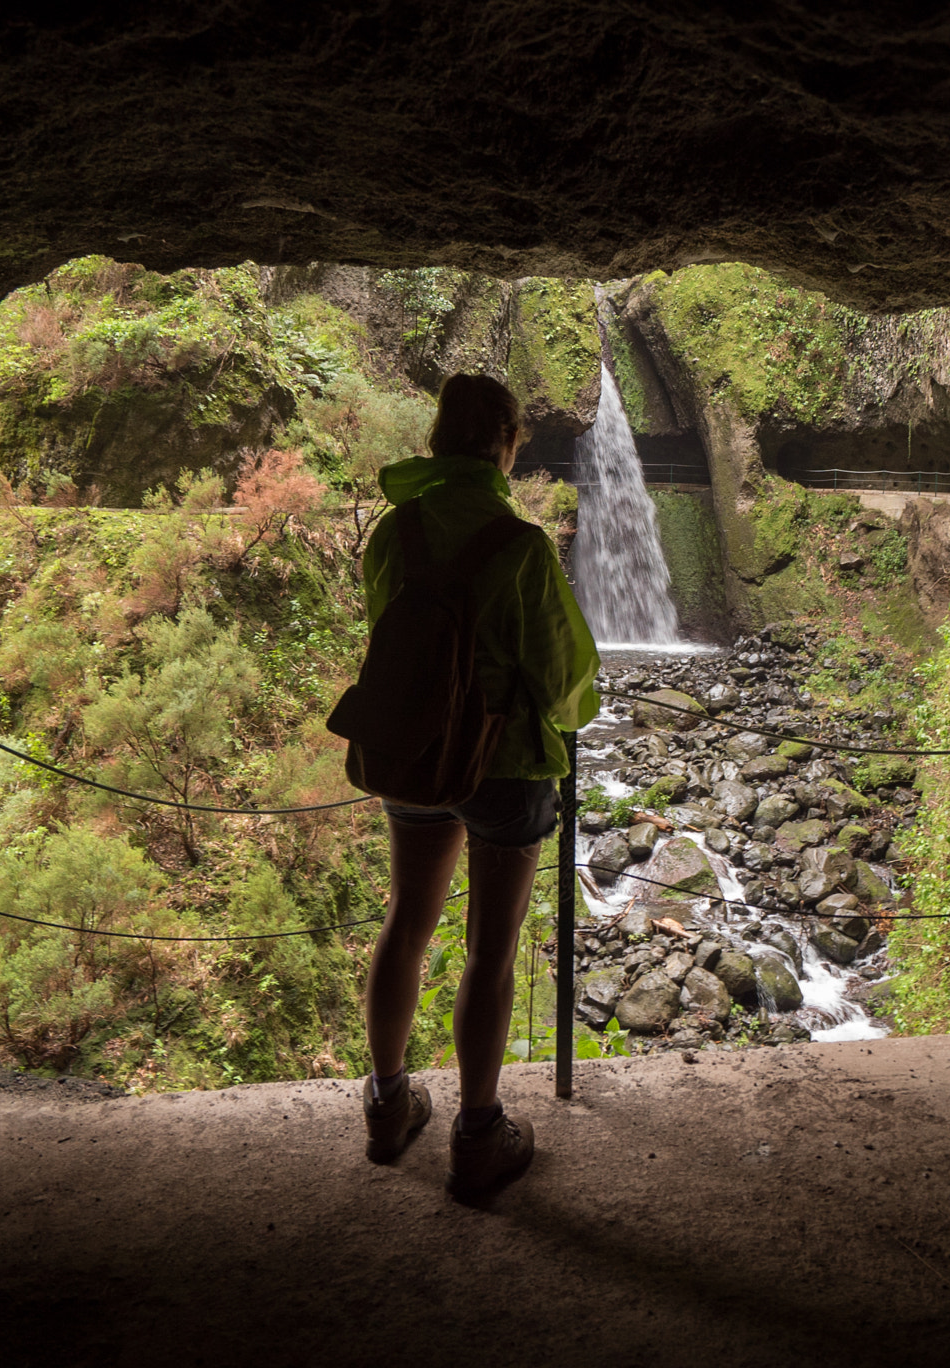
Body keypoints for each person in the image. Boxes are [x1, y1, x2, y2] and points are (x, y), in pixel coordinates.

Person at [356, 373, 598, 1200]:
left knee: (406, 924)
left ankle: (389, 1108)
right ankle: (477, 1134)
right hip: (505, 768)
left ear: (435, 441)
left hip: (417, 756)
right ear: (505, 445)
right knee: (492, 952)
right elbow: (567, 678)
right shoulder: (521, 547)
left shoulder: (395, 534)